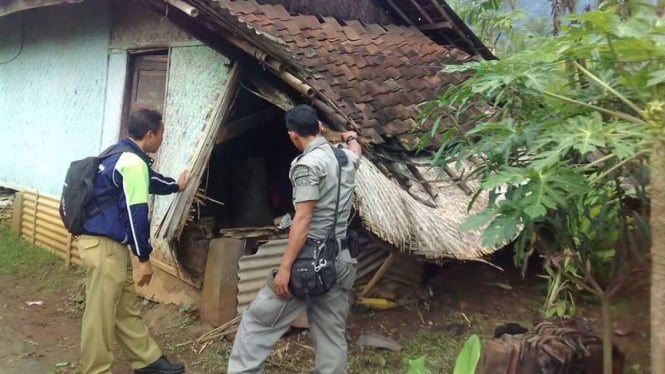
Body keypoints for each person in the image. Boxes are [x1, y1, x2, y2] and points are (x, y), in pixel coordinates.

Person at [228, 104, 362, 374]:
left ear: (293, 135)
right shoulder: (345, 159)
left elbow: (303, 219)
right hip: (342, 259)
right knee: (331, 336)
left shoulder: (307, 166)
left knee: (257, 321)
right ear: (319, 128)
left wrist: (286, 268)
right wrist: (351, 138)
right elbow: (356, 152)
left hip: (310, 263)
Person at [76, 109, 187, 374]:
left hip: (104, 247)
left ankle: (147, 361)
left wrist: (175, 186)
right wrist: (144, 258)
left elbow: (150, 181)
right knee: (100, 314)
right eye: (161, 134)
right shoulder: (133, 164)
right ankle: (95, 370)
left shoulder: (119, 154)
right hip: (105, 248)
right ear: (150, 135)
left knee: (125, 307)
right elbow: (137, 215)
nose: (162, 138)